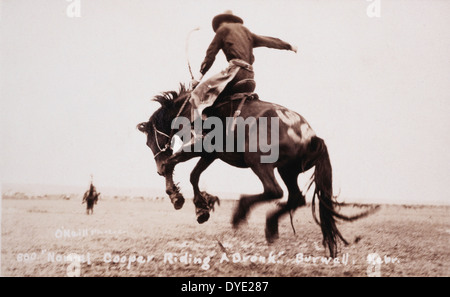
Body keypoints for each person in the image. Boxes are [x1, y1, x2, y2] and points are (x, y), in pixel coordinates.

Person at [189, 10, 298, 126]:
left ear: (221, 22)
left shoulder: (223, 29)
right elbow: (269, 41)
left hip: (236, 73)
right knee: (222, 98)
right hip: (250, 76)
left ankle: (200, 129)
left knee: (197, 94)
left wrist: (198, 78)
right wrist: (289, 46)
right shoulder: (247, 33)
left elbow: (210, 55)